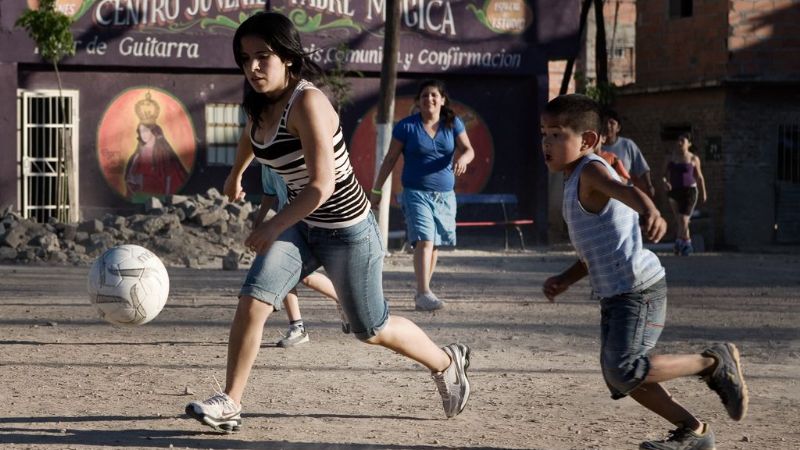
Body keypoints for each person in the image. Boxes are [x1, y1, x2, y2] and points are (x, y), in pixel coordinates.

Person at [185, 12, 471, 433]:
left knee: (370, 329)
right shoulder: (260, 103)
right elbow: (253, 134)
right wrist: (235, 174)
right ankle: (230, 402)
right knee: (254, 299)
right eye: (245, 59)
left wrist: (270, 225)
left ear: (288, 58)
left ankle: (447, 361)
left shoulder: (309, 103)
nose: (253, 67)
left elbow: (321, 186)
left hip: (347, 230)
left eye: (263, 56)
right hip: (300, 227)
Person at [540, 94, 747, 450]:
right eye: (543, 133)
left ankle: (712, 362)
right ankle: (694, 432)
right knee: (620, 375)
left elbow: (627, 190)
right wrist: (567, 278)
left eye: (557, 134)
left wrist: (650, 209)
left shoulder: (591, 169)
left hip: (637, 291)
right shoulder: (574, 179)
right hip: (618, 294)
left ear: (587, 140)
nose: (546, 142)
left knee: (624, 369)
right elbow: (595, 252)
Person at [369, 79, 475, 312]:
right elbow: (389, 159)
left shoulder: (453, 124)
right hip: (416, 193)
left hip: (445, 195)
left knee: (434, 243)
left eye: (434, 95)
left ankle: (424, 291)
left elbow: (468, 150)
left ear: (443, 100)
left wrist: (463, 159)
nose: (429, 99)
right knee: (425, 239)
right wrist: (376, 191)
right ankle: (423, 292)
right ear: (418, 101)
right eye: (425, 95)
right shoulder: (406, 127)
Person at [254, 162, 351, 346]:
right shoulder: (267, 162)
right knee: (284, 271)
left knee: (296, 275)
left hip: (315, 221)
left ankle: (341, 300)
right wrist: (259, 220)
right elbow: (269, 192)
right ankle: (298, 328)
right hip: (288, 223)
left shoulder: (301, 151)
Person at [125, 93, 189, 199]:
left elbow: (172, 181)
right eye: (140, 132)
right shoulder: (136, 157)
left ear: (154, 132)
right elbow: (130, 181)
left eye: (145, 131)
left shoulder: (166, 158)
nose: (142, 135)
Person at [662, 132, 707, 256]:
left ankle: (681, 244)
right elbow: (663, 175)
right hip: (674, 191)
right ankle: (686, 243)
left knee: (684, 219)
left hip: (689, 191)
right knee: (679, 220)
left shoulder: (693, 158)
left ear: (689, 144)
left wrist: (703, 193)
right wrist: (665, 182)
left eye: (683, 140)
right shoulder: (670, 158)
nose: (680, 142)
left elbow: (700, 177)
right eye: (679, 140)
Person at [602, 108, 654, 198]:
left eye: (612, 123)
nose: (608, 126)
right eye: (604, 122)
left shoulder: (627, 145)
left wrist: (649, 186)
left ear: (618, 128)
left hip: (625, 196)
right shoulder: (596, 147)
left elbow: (642, 168)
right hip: (602, 196)